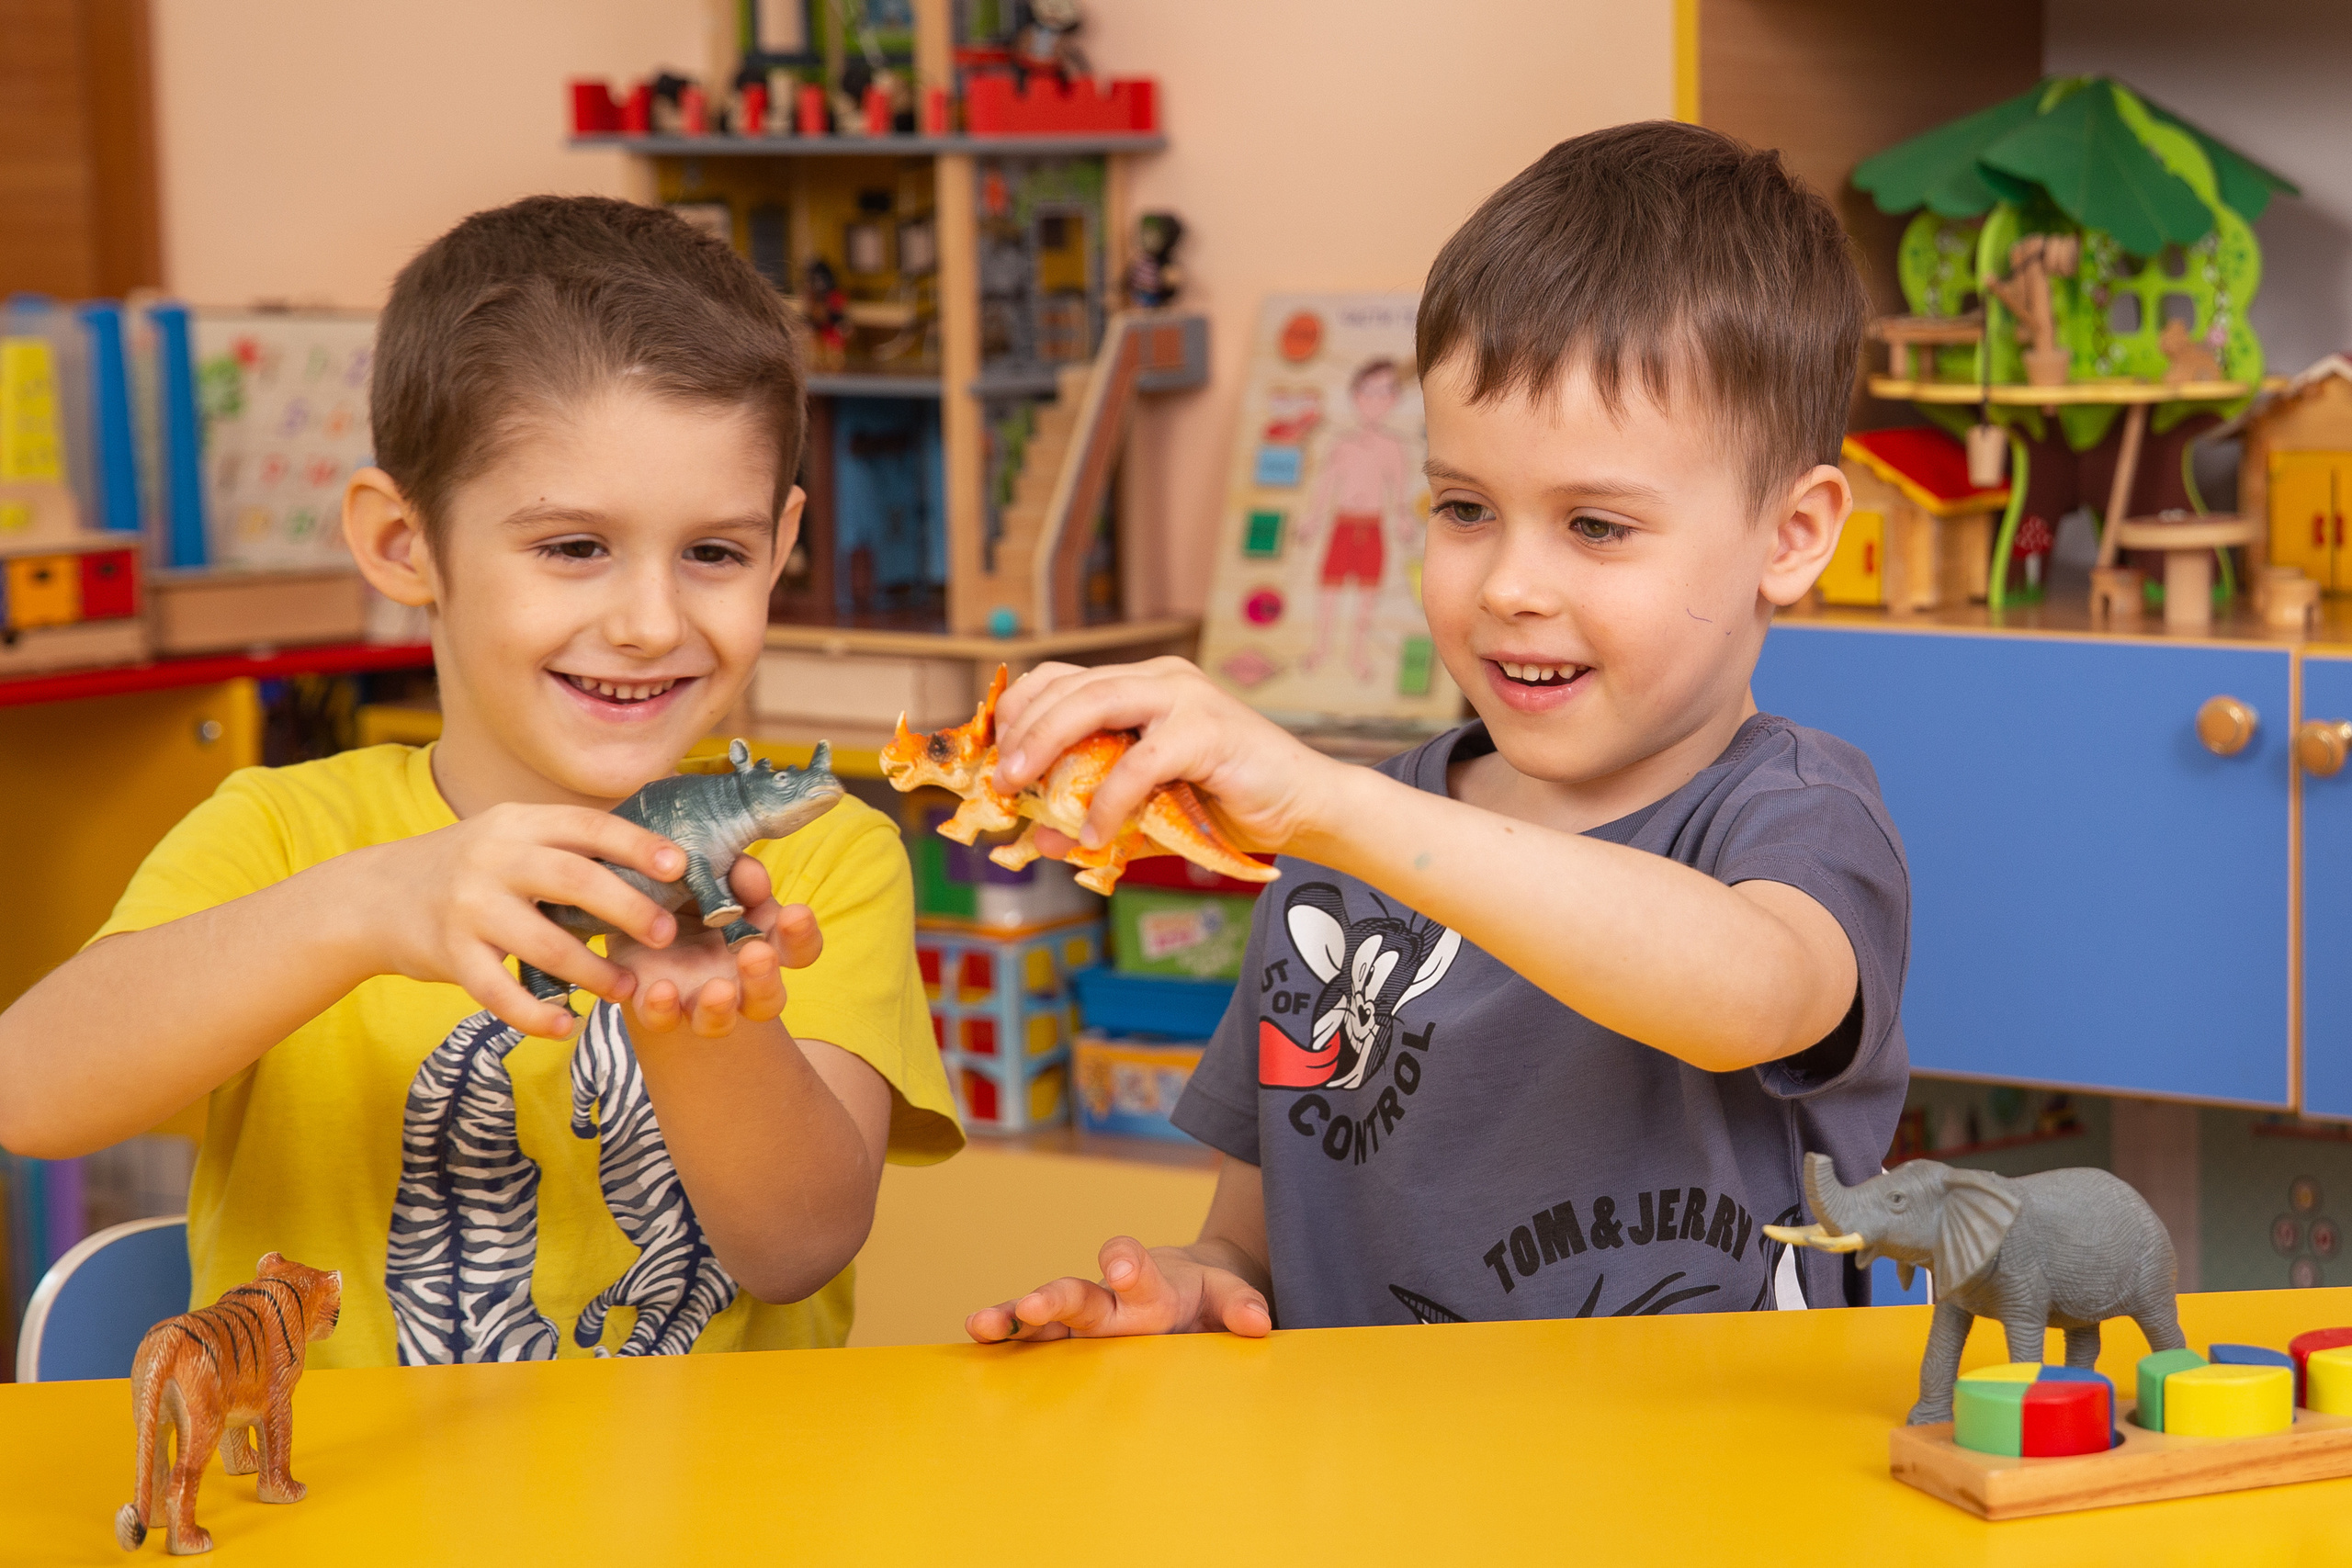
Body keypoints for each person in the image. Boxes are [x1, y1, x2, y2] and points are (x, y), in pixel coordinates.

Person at [966, 121, 1904, 1340]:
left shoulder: (1793, 816)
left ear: (1792, 536)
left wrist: (1332, 807)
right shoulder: (1333, 849)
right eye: (1464, 506)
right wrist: (1194, 1286)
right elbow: (1253, 1236)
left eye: (1598, 526)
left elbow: (1751, 992)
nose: (1509, 582)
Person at [0, 197, 959, 1367]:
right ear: (404, 545)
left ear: (781, 539)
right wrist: (369, 906)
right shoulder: (283, 832)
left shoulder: (819, 861)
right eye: (572, 547)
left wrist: (702, 1022)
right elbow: (32, 1093)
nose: (652, 623)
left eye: (714, 552)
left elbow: (798, 1246)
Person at [1295, 358, 1415, 684]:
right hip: (1341, 526)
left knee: (1366, 597)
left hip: (1372, 528)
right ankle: (1321, 648)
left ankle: (1357, 654)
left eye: (1385, 392)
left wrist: (1404, 520)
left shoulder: (1394, 447)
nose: (1376, 400)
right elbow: (1325, 485)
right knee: (1329, 592)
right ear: (1355, 396)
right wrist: (1312, 519)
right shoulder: (1342, 444)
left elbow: (1399, 491)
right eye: (1368, 392)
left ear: (1394, 400)